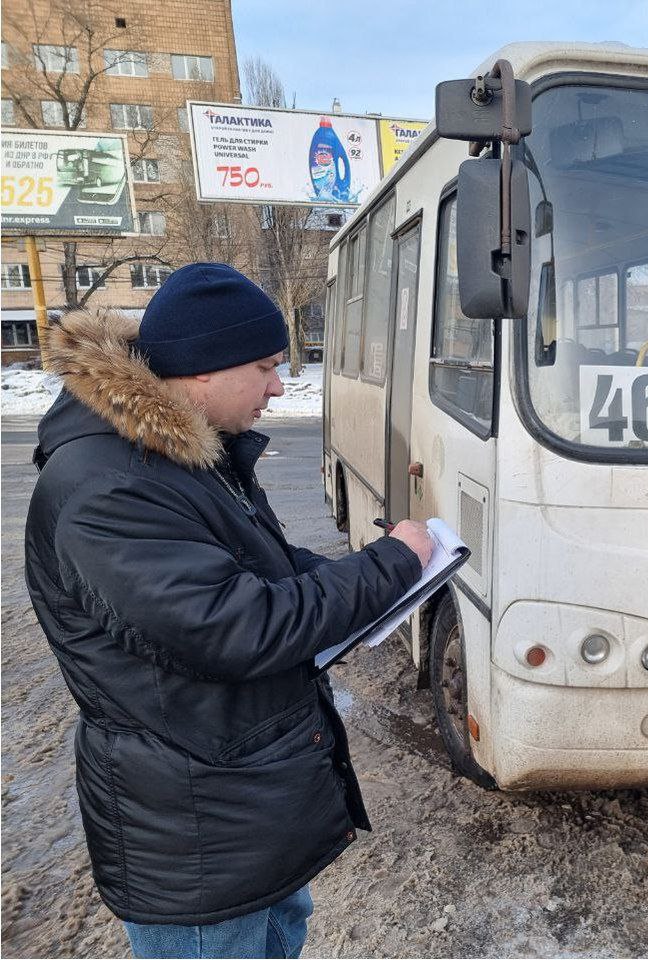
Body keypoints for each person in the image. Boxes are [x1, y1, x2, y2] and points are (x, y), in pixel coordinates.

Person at [23, 263, 434, 959]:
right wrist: (388, 566)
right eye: (266, 366)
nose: (279, 385)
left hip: (242, 808)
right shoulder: (109, 486)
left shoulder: (180, 455)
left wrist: (367, 578)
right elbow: (235, 627)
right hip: (197, 842)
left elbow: (257, 569)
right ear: (202, 370)